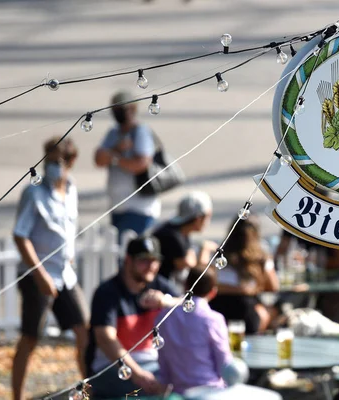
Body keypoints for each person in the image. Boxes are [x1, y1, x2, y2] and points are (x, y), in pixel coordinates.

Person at [12, 137, 88, 400]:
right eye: (50, 161)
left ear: (72, 162)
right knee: (30, 338)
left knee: (84, 331)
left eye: (59, 161)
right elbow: (21, 236)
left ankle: (90, 390)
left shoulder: (72, 188)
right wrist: (40, 274)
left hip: (65, 274)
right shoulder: (33, 192)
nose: (53, 167)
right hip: (37, 275)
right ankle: (17, 395)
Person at [85, 236, 180, 398]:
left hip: (152, 363)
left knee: (186, 381)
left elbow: (191, 305)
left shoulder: (159, 285)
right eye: (144, 260)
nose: (151, 266)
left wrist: (166, 301)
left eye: (155, 261)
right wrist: (137, 374)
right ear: (128, 260)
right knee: (159, 389)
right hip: (112, 367)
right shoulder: (107, 293)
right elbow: (105, 339)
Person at [156, 266, 232, 394]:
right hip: (211, 391)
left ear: (185, 285)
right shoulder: (213, 320)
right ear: (213, 292)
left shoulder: (164, 317)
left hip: (179, 392)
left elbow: (163, 364)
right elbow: (224, 364)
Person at [94, 91, 160, 240]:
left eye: (123, 109)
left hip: (139, 208)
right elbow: (99, 159)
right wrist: (116, 150)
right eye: (116, 110)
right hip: (117, 206)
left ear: (133, 109)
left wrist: (115, 158)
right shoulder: (113, 133)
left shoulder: (140, 132)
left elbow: (141, 164)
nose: (119, 113)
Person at [210, 216, 279, 333]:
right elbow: (274, 286)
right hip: (247, 312)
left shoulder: (219, 255)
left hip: (218, 310)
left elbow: (210, 284)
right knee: (271, 311)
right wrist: (248, 289)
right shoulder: (261, 257)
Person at [152, 191, 217, 290]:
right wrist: (205, 249)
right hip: (159, 288)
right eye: (208, 216)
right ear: (199, 218)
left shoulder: (178, 230)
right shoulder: (173, 236)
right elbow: (195, 272)